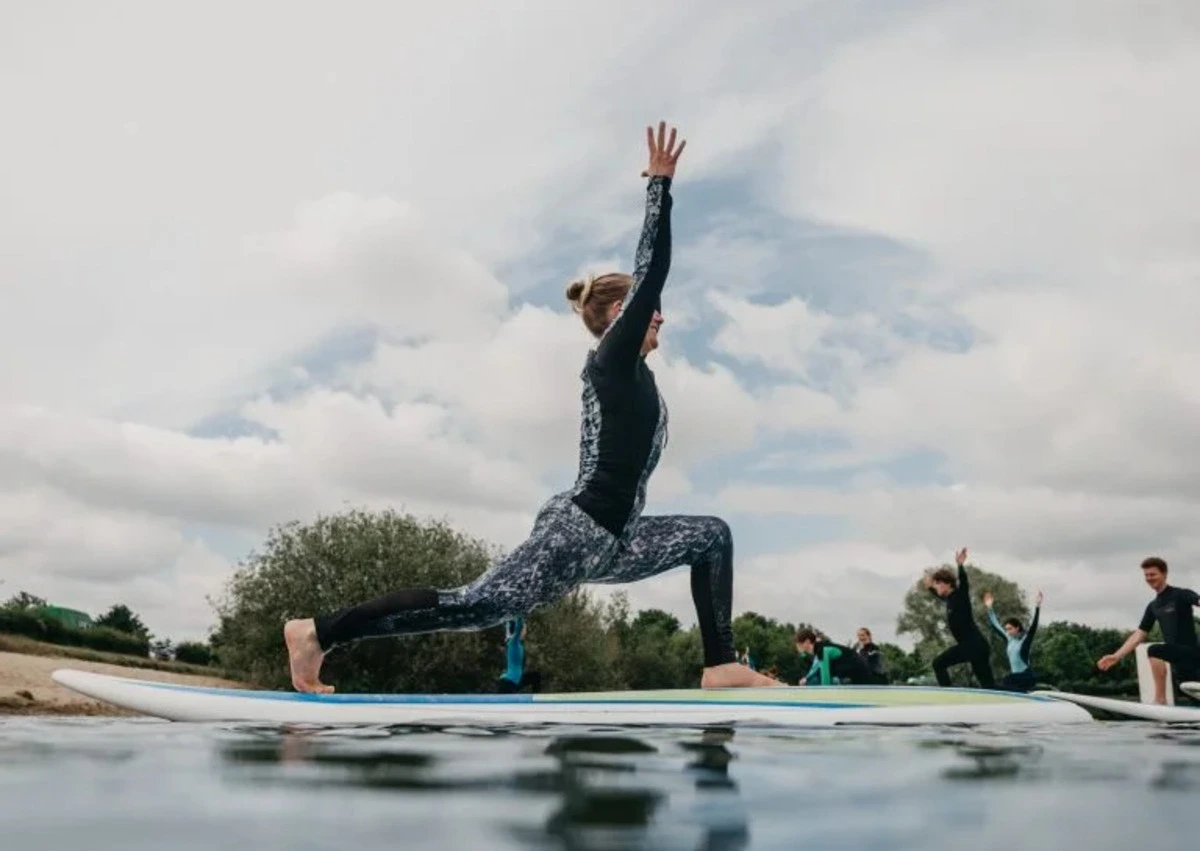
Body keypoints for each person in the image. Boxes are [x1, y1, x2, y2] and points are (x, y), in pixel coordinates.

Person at [282, 121, 778, 694]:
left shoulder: (638, 375)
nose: (660, 316)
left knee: (710, 536)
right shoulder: (611, 360)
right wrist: (659, 187)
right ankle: (317, 633)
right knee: (475, 605)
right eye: (648, 309)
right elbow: (653, 272)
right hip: (581, 529)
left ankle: (720, 665)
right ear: (621, 314)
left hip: (615, 538)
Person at [1097, 556, 1200, 705]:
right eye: (1146, 575)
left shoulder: (1180, 594)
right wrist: (1116, 656)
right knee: (1193, 700)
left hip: (1191, 653)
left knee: (1154, 650)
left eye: (1153, 574)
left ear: (1164, 574)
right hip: (1179, 662)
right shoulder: (1153, 606)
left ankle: (1160, 699)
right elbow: (1139, 635)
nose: (1149, 578)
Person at [924, 547, 995, 689]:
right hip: (977, 646)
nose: (936, 587)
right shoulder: (949, 599)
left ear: (947, 583)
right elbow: (936, 592)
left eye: (938, 583)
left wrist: (960, 565)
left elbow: (964, 581)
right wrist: (929, 586)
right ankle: (1023, 694)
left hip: (973, 645)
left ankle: (948, 696)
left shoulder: (960, 595)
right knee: (989, 686)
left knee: (938, 664)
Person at [983, 588, 1042, 692]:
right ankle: (1023, 694)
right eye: (1006, 629)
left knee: (1006, 681)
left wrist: (1037, 607)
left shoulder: (1024, 640)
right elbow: (996, 625)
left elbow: (1033, 627)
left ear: (1017, 628)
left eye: (1010, 629)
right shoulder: (1009, 639)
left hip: (1026, 676)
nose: (1008, 631)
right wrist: (989, 608)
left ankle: (1023, 692)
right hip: (1017, 678)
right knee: (1007, 682)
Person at [794, 628, 881, 686]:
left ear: (807, 642)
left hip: (862, 677)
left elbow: (825, 680)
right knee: (813, 679)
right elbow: (816, 668)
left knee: (814, 680)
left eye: (798, 643)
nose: (796, 646)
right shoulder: (819, 648)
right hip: (854, 675)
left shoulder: (822, 650)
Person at [496, 617, 541, 694]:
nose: (526, 631)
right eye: (525, 628)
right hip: (509, 682)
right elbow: (518, 626)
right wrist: (519, 613)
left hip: (515, 681)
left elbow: (509, 626)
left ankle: (535, 698)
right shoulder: (514, 642)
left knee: (535, 676)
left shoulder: (515, 643)